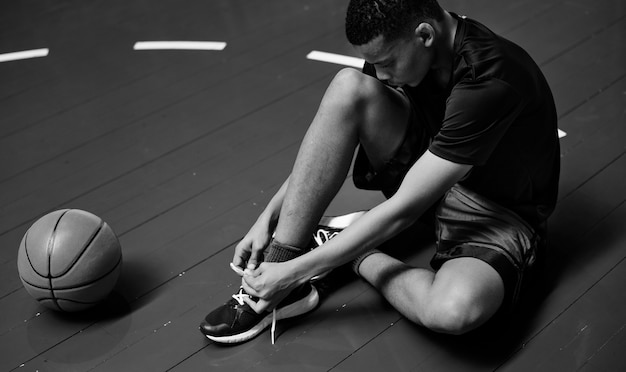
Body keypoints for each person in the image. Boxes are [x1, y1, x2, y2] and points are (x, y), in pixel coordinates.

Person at [200, 0, 560, 344]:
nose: (381, 73)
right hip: (431, 170)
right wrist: (269, 216)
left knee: (453, 311)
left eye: (387, 63)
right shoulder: (404, 47)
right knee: (348, 88)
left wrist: (302, 269)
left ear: (425, 35)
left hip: (497, 213)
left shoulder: (490, 78)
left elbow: (405, 209)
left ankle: (346, 253)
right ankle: (286, 264)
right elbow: (329, 142)